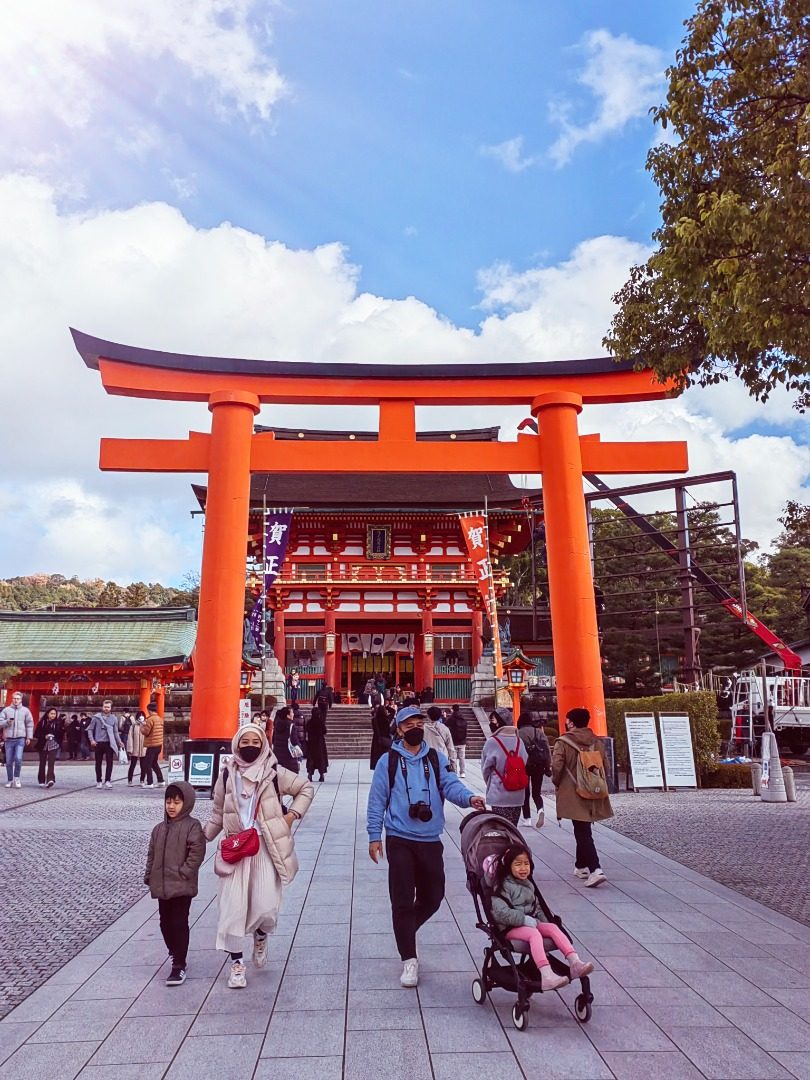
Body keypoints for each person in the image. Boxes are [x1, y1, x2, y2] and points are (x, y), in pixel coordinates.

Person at [367, 705, 486, 988]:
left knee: (434, 895)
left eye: (419, 722)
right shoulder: (388, 761)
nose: (415, 728)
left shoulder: (436, 758)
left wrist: (469, 799)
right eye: (408, 725)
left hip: (430, 839)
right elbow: (376, 801)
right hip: (400, 838)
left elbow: (451, 785)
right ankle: (409, 957)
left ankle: (405, 929)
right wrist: (374, 835)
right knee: (403, 899)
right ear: (398, 730)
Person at [203, 724, 314, 989]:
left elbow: (305, 789)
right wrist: (199, 837)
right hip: (236, 849)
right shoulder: (226, 776)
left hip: (265, 847)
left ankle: (261, 935)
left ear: (264, 744)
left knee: (266, 906)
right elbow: (218, 813)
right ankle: (237, 964)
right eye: (245, 741)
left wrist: (291, 816)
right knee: (232, 909)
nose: (250, 745)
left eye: (256, 741)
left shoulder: (274, 773)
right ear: (236, 744)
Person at [491, 843, 593, 991]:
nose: (523, 868)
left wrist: (545, 923)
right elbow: (500, 912)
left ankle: (575, 962)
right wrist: (523, 919)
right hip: (511, 927)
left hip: (531, 922)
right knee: (534, 933)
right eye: (518, 864)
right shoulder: (502, 886)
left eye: (526, 864)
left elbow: (536, 907)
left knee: (552, 927)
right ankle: (546, 975)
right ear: (508, 866)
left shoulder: (528, 884)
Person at [144, 780, 206, 986]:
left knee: (179, 923)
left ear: (186, 803)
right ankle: (174, 951)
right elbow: (151, 855)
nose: (171, 806)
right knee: (165, 923)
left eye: (176, 802)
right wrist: (149, 874)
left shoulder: (192, 826)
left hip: (181, 885)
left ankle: (179, 964)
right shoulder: (158, 829)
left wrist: (185, 872)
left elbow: (196, 852)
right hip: (162, 885)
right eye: (168, 802)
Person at [552, 707, 613, 888]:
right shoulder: (597, 742)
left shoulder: (563, 742)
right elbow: (606, 766)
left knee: (582, 830)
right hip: (593, 788)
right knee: (583, 825)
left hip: (574, 791)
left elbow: (557, 767)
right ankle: (581, 866)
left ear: (570, 722)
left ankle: (595, 869)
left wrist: (557, 782)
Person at [481, 709, 528, 825]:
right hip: (518, 794)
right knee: (512, 828)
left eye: (492, 720)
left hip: (499, 793)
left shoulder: (492, 742)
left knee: (501, 830)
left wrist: (491, 784)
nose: (491, 723)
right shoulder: (519, 741)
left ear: (499, 722)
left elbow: (485, 769)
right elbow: (525, 762)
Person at [517, 711, 551, 828]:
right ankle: (540, 810)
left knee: (525, 793)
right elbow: (546, 749)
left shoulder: (518, 733)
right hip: (539, 765)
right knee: (537, 792)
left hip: (523, 766)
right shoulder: (539, 732)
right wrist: (548, 765)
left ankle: (527, 819)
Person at [88, 699, 124, 789]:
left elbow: (116, 732)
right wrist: (92, 740)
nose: (106, 708)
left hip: (109, 743)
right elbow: (90, 729)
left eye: (108, 707)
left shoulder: (114, 718)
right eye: (105, 707)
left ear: (111, 708)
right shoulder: (96, 718)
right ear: (102, 707)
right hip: (98, 742)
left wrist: (119, 741)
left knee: (109, 762)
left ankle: (108, 780)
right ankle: (99, 781)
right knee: (98, 762)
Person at [1, 692, 34, 789]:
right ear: (12, 699)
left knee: (18, 758)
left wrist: (29, 737)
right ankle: (10, 780)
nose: (16, 700)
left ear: (21, 700)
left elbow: (29, 724)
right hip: (9, 739)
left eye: (18, 698)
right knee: (9, 761)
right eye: (14, 698)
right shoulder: (6, 710)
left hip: (20, 738)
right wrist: (7, 722)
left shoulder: (25, 711)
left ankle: (17, 777)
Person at [34, 706, 62, 788]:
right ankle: (41, 779)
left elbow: (60, 734)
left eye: (54, 714)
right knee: (42, 762)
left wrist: (55, 738)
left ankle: (50, 779)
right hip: (43, 744)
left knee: (51, 763)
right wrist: (44, 736)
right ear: (47, 714)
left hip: (53, 744)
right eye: (51, 714)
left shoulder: (58, 723)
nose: (53, 715)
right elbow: (36, 734)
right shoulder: (42, 722)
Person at [424, 706, 457, 771]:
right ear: (440, 716)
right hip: (442, 759)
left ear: (428, 715)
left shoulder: (422, 728)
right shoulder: (445, 729)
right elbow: (450, 748)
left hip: (427, 759)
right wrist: (453, 765)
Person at [141, 701, 165, 788]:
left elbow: (146, 732)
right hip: (158, 744)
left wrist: (142, 726)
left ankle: (150, 782)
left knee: (147, 764)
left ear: (149, 710)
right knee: (154, 763)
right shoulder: (159, 718)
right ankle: (161, 780)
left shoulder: (150, 719)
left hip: (151, 745)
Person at [271, 706, 300, 773]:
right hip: (289, 756)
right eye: (292, 713)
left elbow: (273, 739)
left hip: (277, 754)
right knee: (290, 777)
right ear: (288, 715)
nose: (293, 714)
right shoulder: (291, 726)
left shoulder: (277, 725)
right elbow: (294, 741)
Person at [304, 705, 328, 782]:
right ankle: (321, 775)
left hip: (311, 743)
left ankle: (310, 774)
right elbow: (324, 731)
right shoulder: (321, 722)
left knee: (311, 758)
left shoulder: (309, 722)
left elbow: (306, 730)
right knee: (320, 759)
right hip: (320, 743)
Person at [446, 703, 468, 777]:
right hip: (462, 741)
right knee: (462, 758)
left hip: (454, 741)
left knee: (453, 758)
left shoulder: (451, 718)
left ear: (452, 709)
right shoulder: (463, 717)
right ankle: (462, 772)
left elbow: (445, 724)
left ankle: (454, 772)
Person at [127, 710, 147, 785]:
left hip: (143, 748)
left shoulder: (146, 725)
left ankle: (142, 780)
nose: (141, 717)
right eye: (139, 716)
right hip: (135, 748)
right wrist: (130, 748)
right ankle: (130, 780)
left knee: (143, 765)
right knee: (132, 765)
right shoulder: (133, 726)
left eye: (142, 716)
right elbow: (130, 737)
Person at [369, 704, 392, 770]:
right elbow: (393, 712)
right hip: (386, 738)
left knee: (376, 756)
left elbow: (375, 730)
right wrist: (387, 706)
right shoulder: (386, 719)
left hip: (377, 739)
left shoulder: (374, 720)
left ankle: (377, 767)